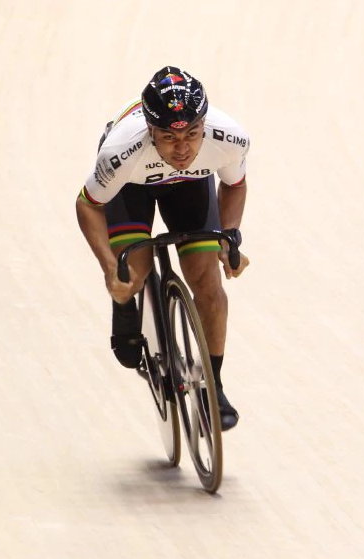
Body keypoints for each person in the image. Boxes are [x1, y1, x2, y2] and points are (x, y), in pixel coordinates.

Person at [75, 66, 251, 430]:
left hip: (190, 186)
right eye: (169, 137)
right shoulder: (121, 151)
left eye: (192, 134)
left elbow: (234, 185)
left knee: (208, 285)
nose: (183, 148)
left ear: (205, 125)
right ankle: (125, 300)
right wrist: (110, 268)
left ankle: (213, 387)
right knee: (133, 272)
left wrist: (229, 236)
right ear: (150, 130)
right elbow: (88, 204)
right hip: (130, 187)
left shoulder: (229, 138)